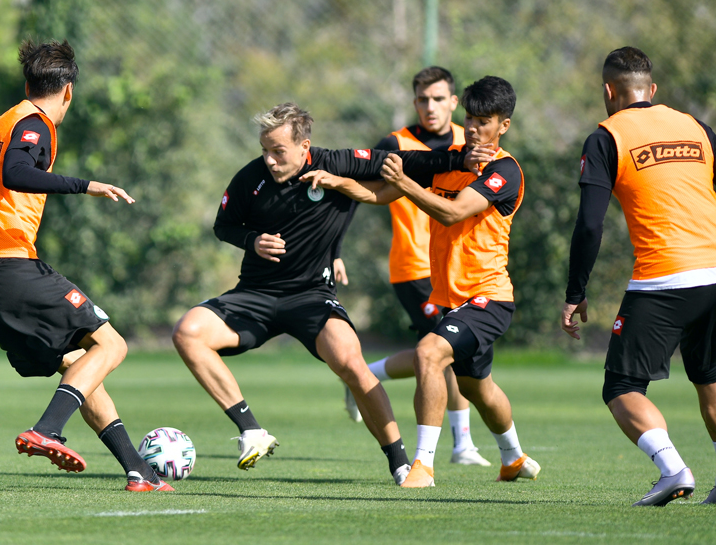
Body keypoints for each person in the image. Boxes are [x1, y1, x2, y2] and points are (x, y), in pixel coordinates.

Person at [171, 102, 477, 486]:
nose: (269, 160)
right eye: (264, 150)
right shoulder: (250, 177)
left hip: (312, 296)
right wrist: (252, 240)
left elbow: (407, 161)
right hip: (256, 293)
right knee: (187, 332)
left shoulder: (338, 164)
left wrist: (461, 158)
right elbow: (224, 225)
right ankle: (251, 430)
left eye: (278, 151)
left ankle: (401, 464)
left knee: (352, 364)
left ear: (304, 146)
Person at [560, 47, 716, 507]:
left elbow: (589, 224)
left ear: (608, 91)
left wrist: (575, 291)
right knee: (709, 373)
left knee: (621, 386)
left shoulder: (606, 137)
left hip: (666, 275)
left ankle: (672, 469)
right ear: (652, 89)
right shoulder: (693, 126)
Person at [0, 40, 171, 492]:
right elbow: (15, 173)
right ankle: (47, 429)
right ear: (67, 90)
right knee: (112, 346)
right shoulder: (36, 124)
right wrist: (86, 185)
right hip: (6, 266)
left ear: (28, 83)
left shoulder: (5, 122)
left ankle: (139, 471)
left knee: (81, 364)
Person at [313, 77, 540, 488]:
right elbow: (380, 195)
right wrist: (338, 182)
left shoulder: (505, 170)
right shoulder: (451, 161)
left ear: (503, 126)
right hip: (451, 299)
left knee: (428, 354)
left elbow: (452, 213)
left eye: (484, 121)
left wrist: (405, 182)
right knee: (479, 389)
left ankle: (423, 466)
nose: (473, 128)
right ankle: (513, 457)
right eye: (470, 119)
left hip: (488, 297)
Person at [336, 66, 490, 467]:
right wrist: (334, 248)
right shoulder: (396, 144)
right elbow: (357, 188)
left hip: (458, 268)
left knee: (441, 351)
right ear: (414, 102)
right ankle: (462, 445)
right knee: (445, 352)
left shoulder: (471, 141)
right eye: (422, 99)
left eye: (438, 98)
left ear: (454, 102)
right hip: (414, 267)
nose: (430, 106)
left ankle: (365, 375)